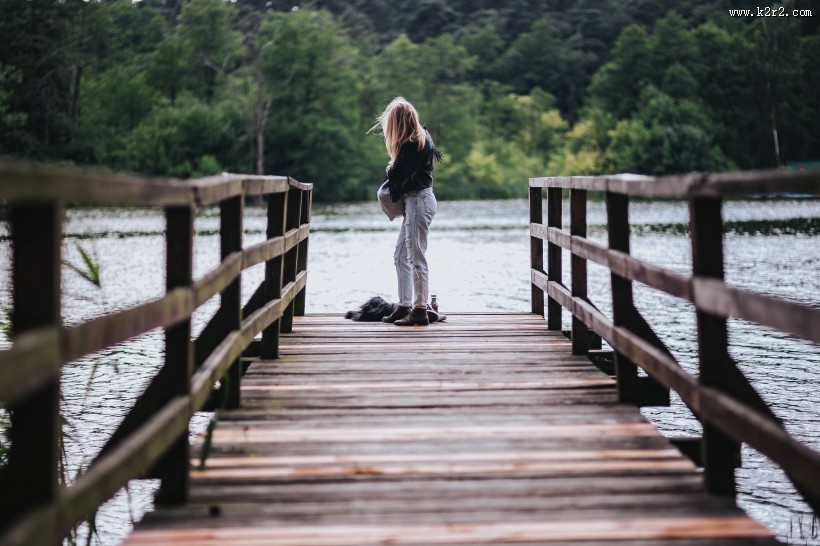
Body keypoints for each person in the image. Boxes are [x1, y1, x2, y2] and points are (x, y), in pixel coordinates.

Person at [369, 97, 442, 326]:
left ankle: (419, 309)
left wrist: (391, 167)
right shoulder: (421, 138)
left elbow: (397, 175)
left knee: (416, 256)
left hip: (419, 200)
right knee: (401, 256)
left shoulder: (413, 143)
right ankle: (404, 305)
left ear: (397, 123)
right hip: (416, 201)